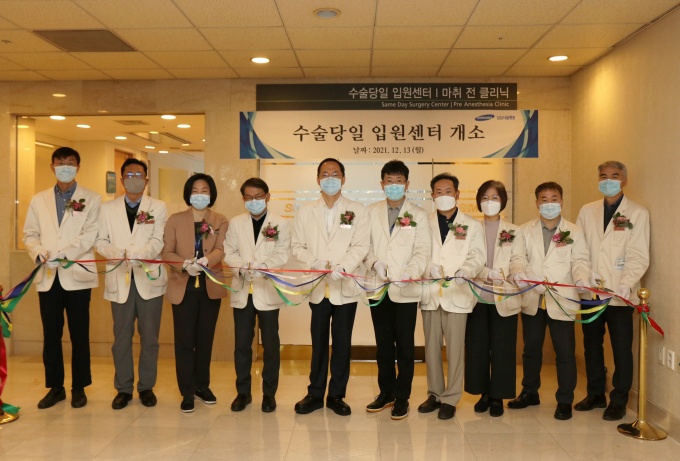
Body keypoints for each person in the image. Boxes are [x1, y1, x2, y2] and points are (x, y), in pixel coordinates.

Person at [23, 146, 101, 409]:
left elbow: (89, 235)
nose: (65, 166)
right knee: (51, 335)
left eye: (70, 162)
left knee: (80, 334)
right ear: (52, 166)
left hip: (76, 275)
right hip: (48, 275)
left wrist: (64, 254)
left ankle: (79, 387)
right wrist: (40, 253)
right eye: (60, 162)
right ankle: (55, 388)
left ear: (78, 167)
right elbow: (30, 234)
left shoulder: (91, 198)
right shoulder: (39, 200)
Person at [291, 158, 369, 416]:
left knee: (342, 343)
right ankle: (314, 393)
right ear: (317, 179)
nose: (330, 179)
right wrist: (313, 262)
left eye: (335, 174)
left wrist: (344, 266)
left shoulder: (357, 210)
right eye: (325, 174)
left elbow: (361, 245)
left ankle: (336, 395)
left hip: (344, 286)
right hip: (318, 286)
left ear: (344, 179)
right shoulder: (305, 211)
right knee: (319, 342)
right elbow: (297, 245)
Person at [508, 182, 591, 421]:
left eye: (553, 199)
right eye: (543, 200)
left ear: (561, 201)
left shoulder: (574, 231)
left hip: (562, 299)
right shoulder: (524, 230)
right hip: (533, 298)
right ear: (537, 203)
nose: (549, 204)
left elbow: (580, 260)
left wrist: (582, 278)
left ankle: (565, 399)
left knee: (564, 352)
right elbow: (518, 258)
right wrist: (520, 274)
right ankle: (529, 392)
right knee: (531, 350)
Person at [574, 161, 650, 421]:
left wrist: (626, 284)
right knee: (591, 345)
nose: (608, 181)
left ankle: (619, 399)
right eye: (603, 176)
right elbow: (579, 250)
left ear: (624, 181)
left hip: (620, 292)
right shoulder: (587, 211)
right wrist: (582, 276)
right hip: (591, 292)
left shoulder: (637, 213)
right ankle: (596, 394)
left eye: (614, 176)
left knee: (621, 348)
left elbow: (639, 255)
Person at [95, 158, 168, 410]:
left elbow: (159, 239)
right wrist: (118, 254)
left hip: (149, 278)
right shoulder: (107, 209)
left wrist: (140, 255)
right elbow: (100, 241)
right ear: (122, 179)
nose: (134, 179)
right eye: (129, 175)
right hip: (120, 277)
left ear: (146, 179)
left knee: (150, 338)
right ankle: (123, 388)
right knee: (121, 338)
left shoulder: (158, 207)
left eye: (139, 175)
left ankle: (146, 387)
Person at [363, 160, 431, 420]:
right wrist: (374, 263)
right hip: (378, 287)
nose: (394, 186)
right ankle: (386, 392)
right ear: (382, 184)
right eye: (389, 181)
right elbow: (364, 246)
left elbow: (422, 250)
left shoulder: (419, 214)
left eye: (399, 181)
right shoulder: (370, 212)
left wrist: (409, 273)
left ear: (407, 184)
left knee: (404, 345)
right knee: (383, 345)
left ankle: (402, 397)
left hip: (406, 288)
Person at [419, 173, 485, 420]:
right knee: (432, 348)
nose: (443, 196)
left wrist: (467, 270)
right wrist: (428, 268)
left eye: (448, 192)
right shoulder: (423, 223)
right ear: (432, 195)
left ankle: (451, 397)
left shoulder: (472, 225)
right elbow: (418, 253)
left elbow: (477, 255)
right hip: (431, 292)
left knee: (456, 349)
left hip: (458, 292)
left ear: (457, 194)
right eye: (439, 192)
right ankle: (435, 393)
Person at [161, 173, 228, 413]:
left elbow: (221, 248)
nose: (200, 195)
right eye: (195, 191)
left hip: (210, 285)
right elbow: (167, 252)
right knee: (184, 341)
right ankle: (187, 391)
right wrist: (184, 264)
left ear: (211, 194)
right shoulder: (175, 220)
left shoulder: (220, 220)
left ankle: (202, 386)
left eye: (204, 191)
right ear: (188, 194)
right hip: (183, 286)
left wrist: (207, 261)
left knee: (205, 339)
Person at [224, 178, 291, 413]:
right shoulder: (236, 223)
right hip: (243, 290)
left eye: (259, 197)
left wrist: (263, 267)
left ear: (267, 197)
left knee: (271, 345)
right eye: (249, 197)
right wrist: (241, 267)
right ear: (243, 199)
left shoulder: (280, 223)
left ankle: (269, 394)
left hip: (267, 289)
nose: (254, 201)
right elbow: (229, 251)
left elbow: (282, 253)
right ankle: (243, 392)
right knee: (242, 344)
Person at [464, 180, 527, 417]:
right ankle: (483, 393)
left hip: (504, 298)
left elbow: (518, 258)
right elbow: (468, 260)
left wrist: (517, 273)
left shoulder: (514, 230)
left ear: (503, 201)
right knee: (478, 348)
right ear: (479, 201)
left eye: (495, 198)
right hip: (477, 297)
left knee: (503, 349)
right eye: (485, 198)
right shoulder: (472, 228)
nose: (489, 202)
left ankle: (498, 396)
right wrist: (485, 272)